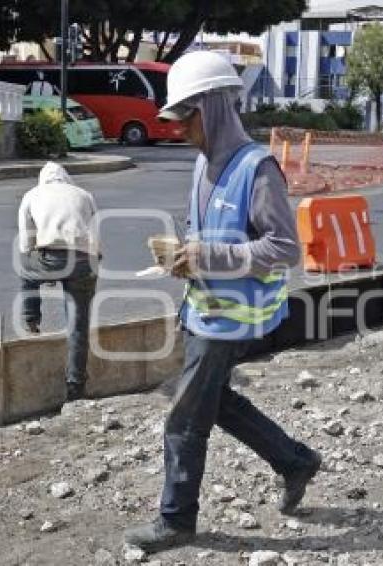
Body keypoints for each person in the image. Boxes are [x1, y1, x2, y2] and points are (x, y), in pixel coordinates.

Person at [123, 51, 321, 554]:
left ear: (210, 107)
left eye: (184, 117)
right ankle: (294, 461)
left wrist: (206, 255)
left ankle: (176, 520)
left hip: (231, 320)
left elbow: (283, 249)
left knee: (186, 415)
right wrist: (184, 257)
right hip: (204, 310)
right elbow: (208, 233)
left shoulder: (257, 169)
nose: (178, 129)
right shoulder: (201, 164)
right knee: (210, 402)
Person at [17, 162, 99, 402]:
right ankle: (76, 388)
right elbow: (95, 235)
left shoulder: (31, 195)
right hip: (84, 262)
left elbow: (25, 243)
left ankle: (31, 320)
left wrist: (43, 267)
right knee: (78, 327)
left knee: (25, 271)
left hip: (50, 259)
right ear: (66, 178)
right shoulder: (85, 195)